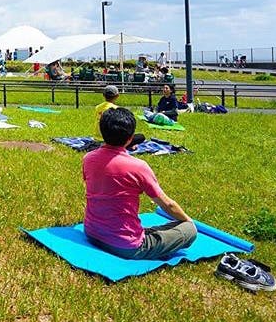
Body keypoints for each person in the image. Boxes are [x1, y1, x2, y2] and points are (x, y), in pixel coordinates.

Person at [83, 107, 197, 260]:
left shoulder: (88, 159)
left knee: (161, 228)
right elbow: (167, 204)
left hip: (92, 233)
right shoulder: (138, 167)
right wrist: (188, 220)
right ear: (130, 138)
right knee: (189, 229)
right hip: (127, 246)